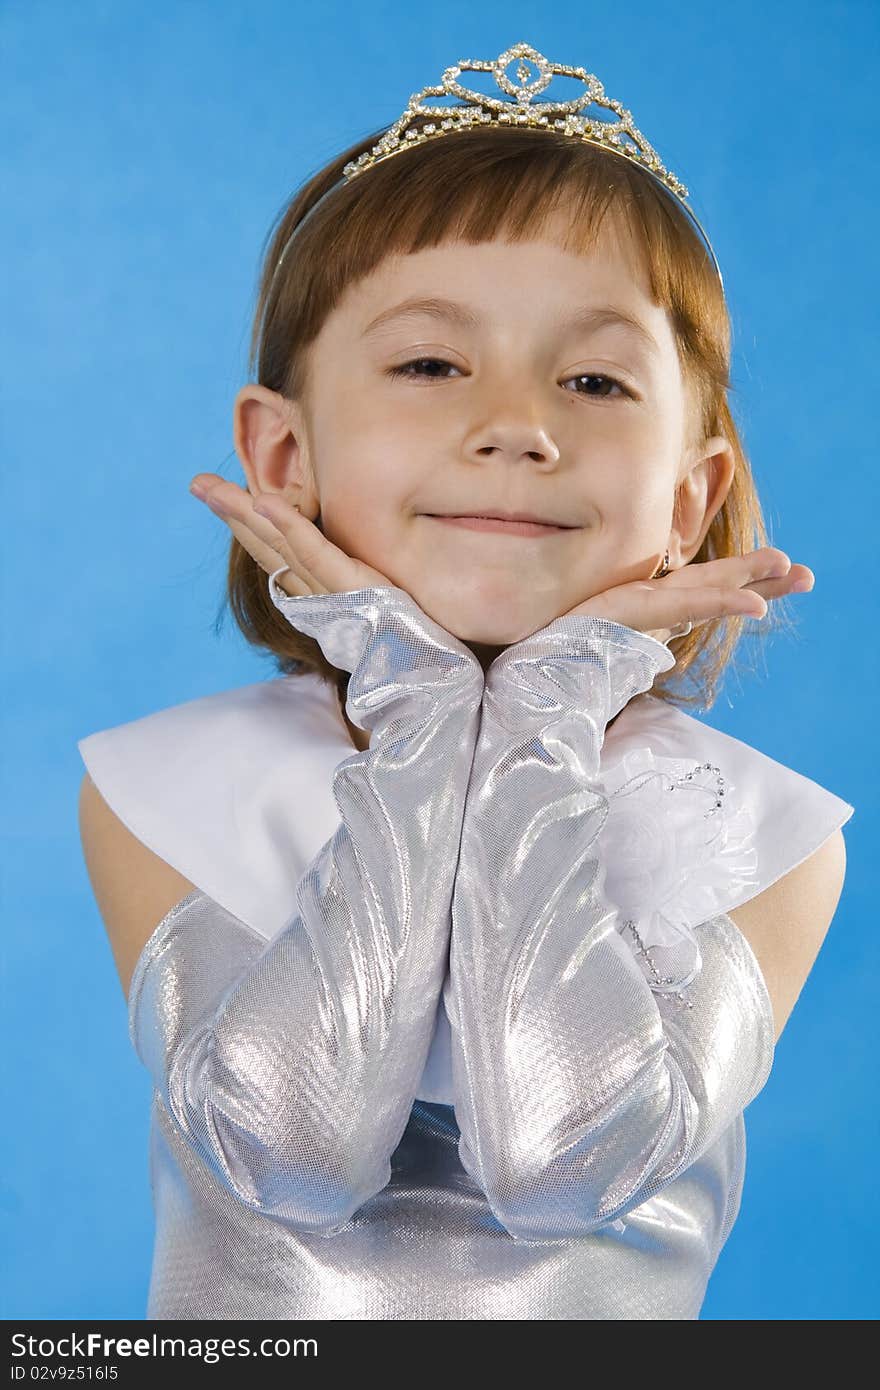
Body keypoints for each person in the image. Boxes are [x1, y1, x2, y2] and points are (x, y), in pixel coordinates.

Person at [77, 42, 854, 1319]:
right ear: (283, 457)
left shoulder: (759, 836)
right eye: (432, 364)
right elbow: (292, 1151)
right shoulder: (164, 790)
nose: (518, 425)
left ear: (689, 497)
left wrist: (539, 716)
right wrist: (424, 711)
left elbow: (564, 1161)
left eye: (594, 379)